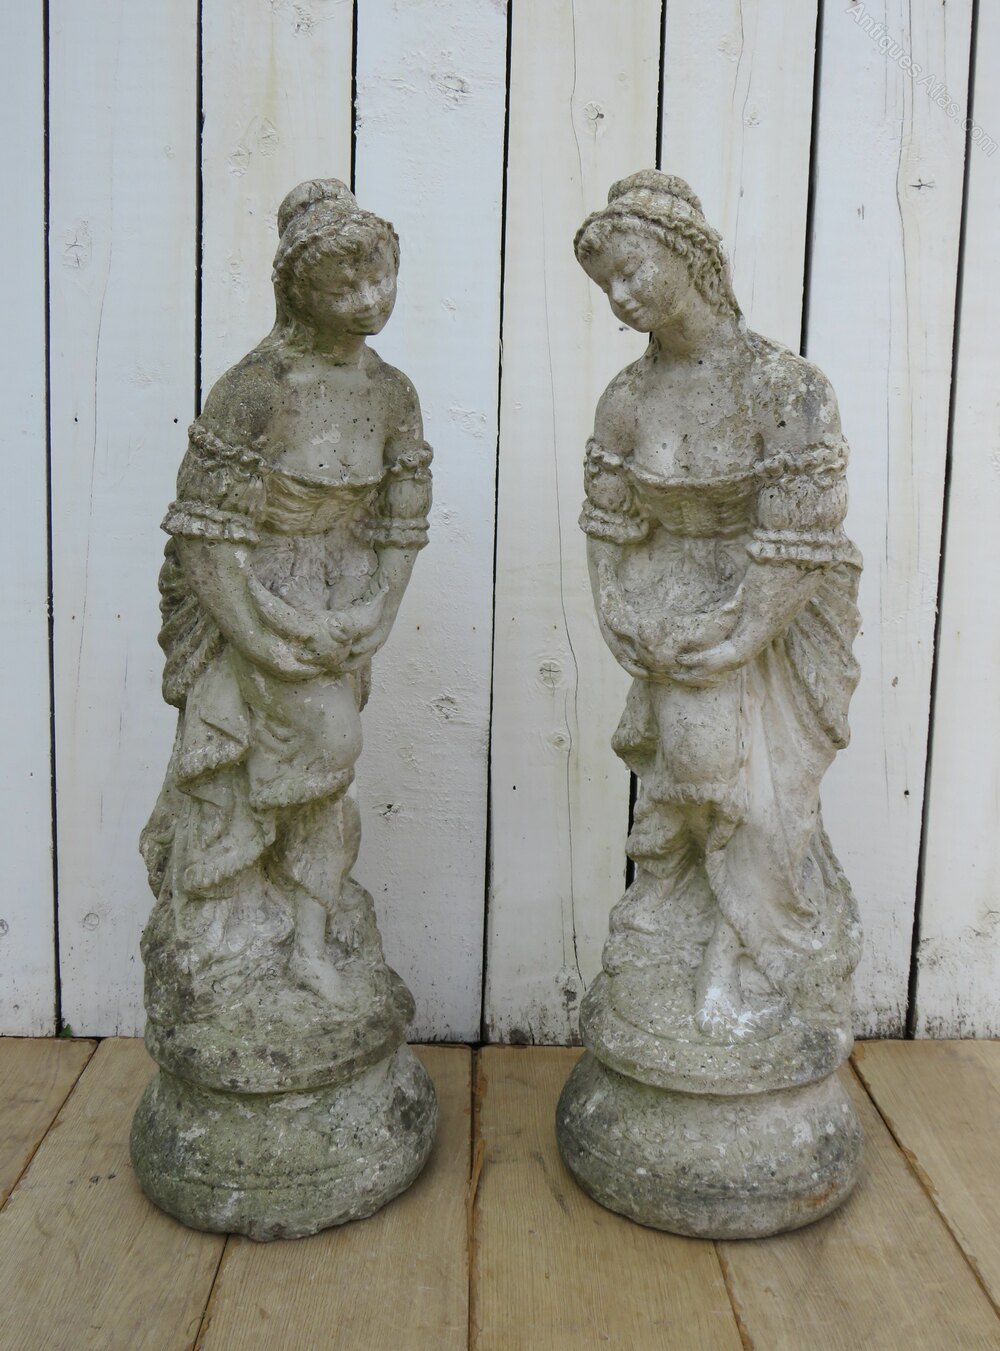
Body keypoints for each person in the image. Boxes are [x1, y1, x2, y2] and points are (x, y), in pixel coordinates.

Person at [575, 170, 862, 1040]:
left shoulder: (783, 387)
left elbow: (798, 537)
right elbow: (609, 525)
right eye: (606, 285)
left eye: (632, 270)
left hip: (773, 612)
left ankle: (748, 953)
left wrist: (741, 634)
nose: (621, 297)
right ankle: (679, 922)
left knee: (767, 804)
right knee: (690, 778)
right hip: (671, 613)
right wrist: (619, 613)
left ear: (691, 255)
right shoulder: (627, 399)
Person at [140, 179, 431, 1013]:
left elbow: (403, 515)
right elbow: (207, 535)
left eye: (381, 276)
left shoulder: (392, 392)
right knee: (273, 759)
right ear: (300, 292)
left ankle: (307, 939)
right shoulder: (257, 387)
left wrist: (376, 609)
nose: (370, 299)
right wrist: (264, 636)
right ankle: (233, 930)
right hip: (252, 599)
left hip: (339, 598)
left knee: (323, 769)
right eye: (345, 286)